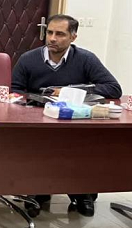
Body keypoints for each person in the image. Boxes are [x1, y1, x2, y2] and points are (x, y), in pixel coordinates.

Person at [12, 14, 122, 217]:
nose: (52, 38)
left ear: (73, 37)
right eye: (50, 32)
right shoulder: (29, 59)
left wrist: (70, 91)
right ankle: (38, 189)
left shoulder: (85, 59)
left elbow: (113, 88)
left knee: (84, 146)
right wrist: (36, 101)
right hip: (39, 121)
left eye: (60, 34)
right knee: (42, 146)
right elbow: (15, 92)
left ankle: (82, 192)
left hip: (75, 122)